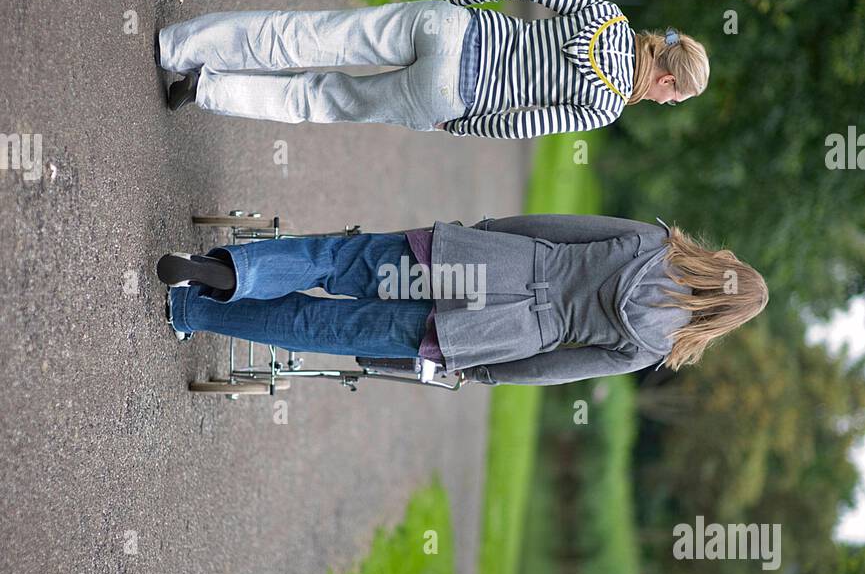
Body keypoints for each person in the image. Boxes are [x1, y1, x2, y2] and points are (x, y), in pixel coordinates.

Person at [156, 213, 767, 386]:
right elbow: (555, 369)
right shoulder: (655, 345)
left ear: (722, 266)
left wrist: (490, 229)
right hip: (496, 332)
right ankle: (196, 311)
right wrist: (487, 370)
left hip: (489, 264)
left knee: (342, 262)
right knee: (335, 330)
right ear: (723, 321)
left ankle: (230, 271)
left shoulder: (655, 243)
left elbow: (558, 229)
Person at [156, 0, 710, 139]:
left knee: (307, 34)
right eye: (674, 95)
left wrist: (459, 3)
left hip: (451, 28)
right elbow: (521, 125)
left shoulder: (607, 15)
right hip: (449, 95)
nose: (666, 102)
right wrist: (457, 126)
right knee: (320, 100)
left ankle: (178, 45)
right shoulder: (606, 106)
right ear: (664, 77)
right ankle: (207, 90)